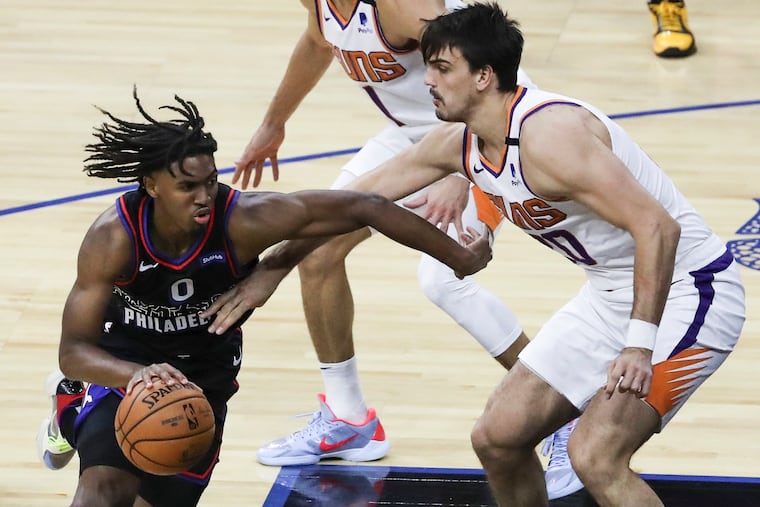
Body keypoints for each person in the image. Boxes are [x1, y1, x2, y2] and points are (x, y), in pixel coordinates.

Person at [206, 3, 746, 505]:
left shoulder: (551, 135)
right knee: (497, 438)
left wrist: (638, 345)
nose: (427, 81)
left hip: (688, 291)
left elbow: (658, 227)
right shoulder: (453, 145)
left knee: (594, 456)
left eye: (440, 69)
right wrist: (272, 266)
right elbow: (353, 202)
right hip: (607, 292)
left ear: (484, 76)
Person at [34, 87, 493, 507]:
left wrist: (459, 258)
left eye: (211, 181)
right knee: (101, 492)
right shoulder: (113, 238)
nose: (204, 197)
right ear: (152, 187)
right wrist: (139, 375)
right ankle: (73, 406)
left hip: (202, 377)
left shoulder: (243, 221)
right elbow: (73, 349)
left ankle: (72, 415)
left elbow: (364, 206)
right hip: (128, 366)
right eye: (188, 187)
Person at [226, 0, 580, 495]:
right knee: (318, 251)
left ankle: (562, 415)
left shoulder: (401, 8)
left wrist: (465, 163)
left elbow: (489, 70)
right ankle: (350, 419)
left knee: (442, 282)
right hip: (412, 139)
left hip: (494, 128)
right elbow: (316, 41)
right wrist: (274, 122)